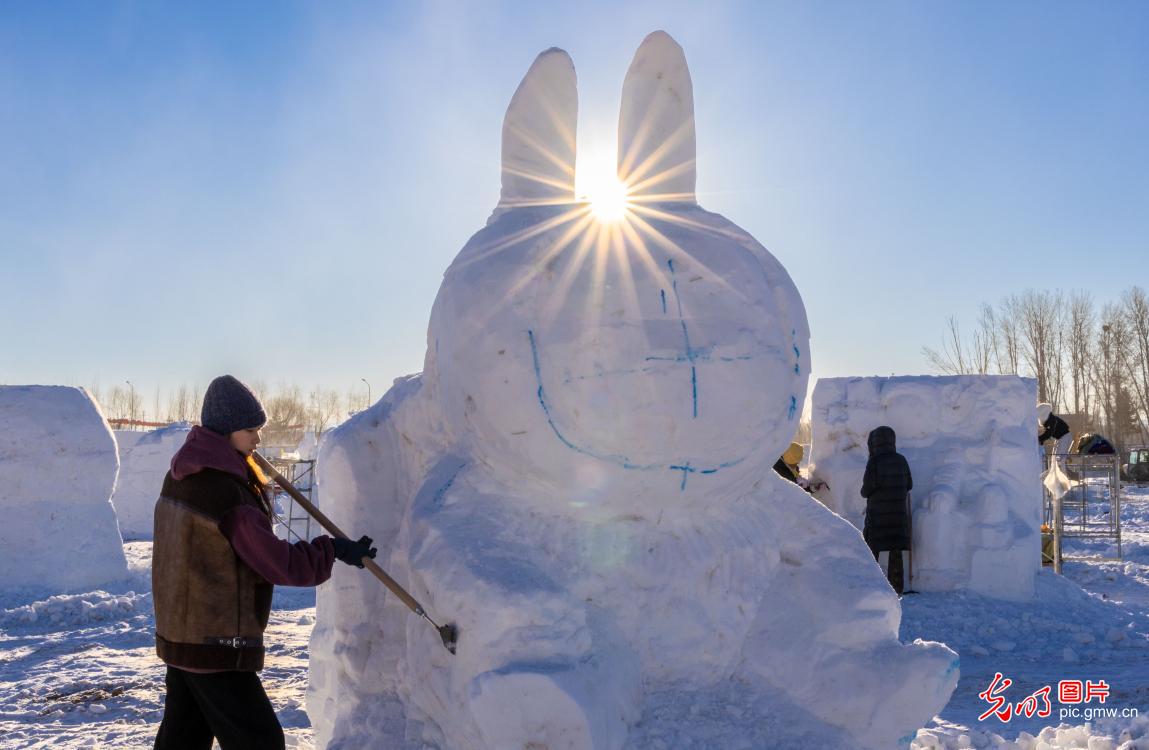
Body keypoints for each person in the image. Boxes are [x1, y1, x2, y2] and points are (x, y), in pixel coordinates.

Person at [152, 375, 377, 750]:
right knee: (260, 741)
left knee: (183, 738)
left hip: (180, 636)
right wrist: (333, 549)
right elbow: (278, 563)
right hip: (215, 642)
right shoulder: (226, 492)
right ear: (226, 431)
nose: (258, 439)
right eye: (251, 430)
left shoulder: (181, 476)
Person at [860, 426, 912, 595]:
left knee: (872, 549)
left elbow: (866, 490)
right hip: (898, 516)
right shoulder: (901, 460)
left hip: (878, 515)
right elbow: (909, 485)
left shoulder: (874, 462)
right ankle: (897, 587)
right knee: (895, 549)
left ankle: (872, 584)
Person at [1037, 402, 1073, 472]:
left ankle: (1063, 477)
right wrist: (1041, 439)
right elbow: (1048, 432)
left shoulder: (1051, 420)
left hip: (1065, 437)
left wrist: (1040, 439)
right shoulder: (1050, 419)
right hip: (1061, 438)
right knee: (1055, 459)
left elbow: (1049, 433)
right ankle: (1060, 476)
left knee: (1059, 459)